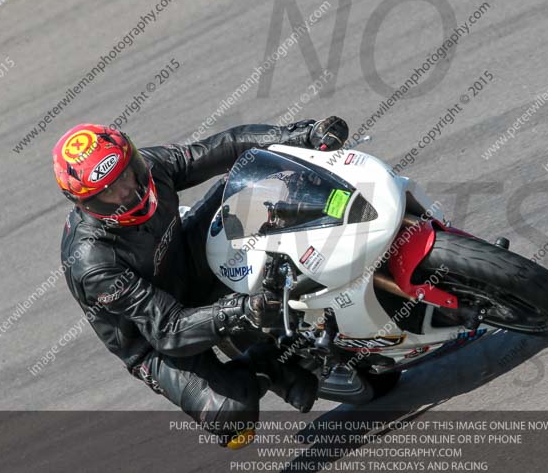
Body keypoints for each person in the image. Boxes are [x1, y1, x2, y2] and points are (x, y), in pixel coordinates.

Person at [52, 118, 349, 447]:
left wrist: (302, 135)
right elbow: (168, 329)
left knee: (257, 185)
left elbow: (223, 148)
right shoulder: (92, 261)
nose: (126, 192)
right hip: (155, 340)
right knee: (233, 419)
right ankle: (269, 365)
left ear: (132, 158)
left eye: (125, 174)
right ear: (85, 204)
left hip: (185, 259)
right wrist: (239, 310)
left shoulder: (151, 167)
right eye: (107, 193)